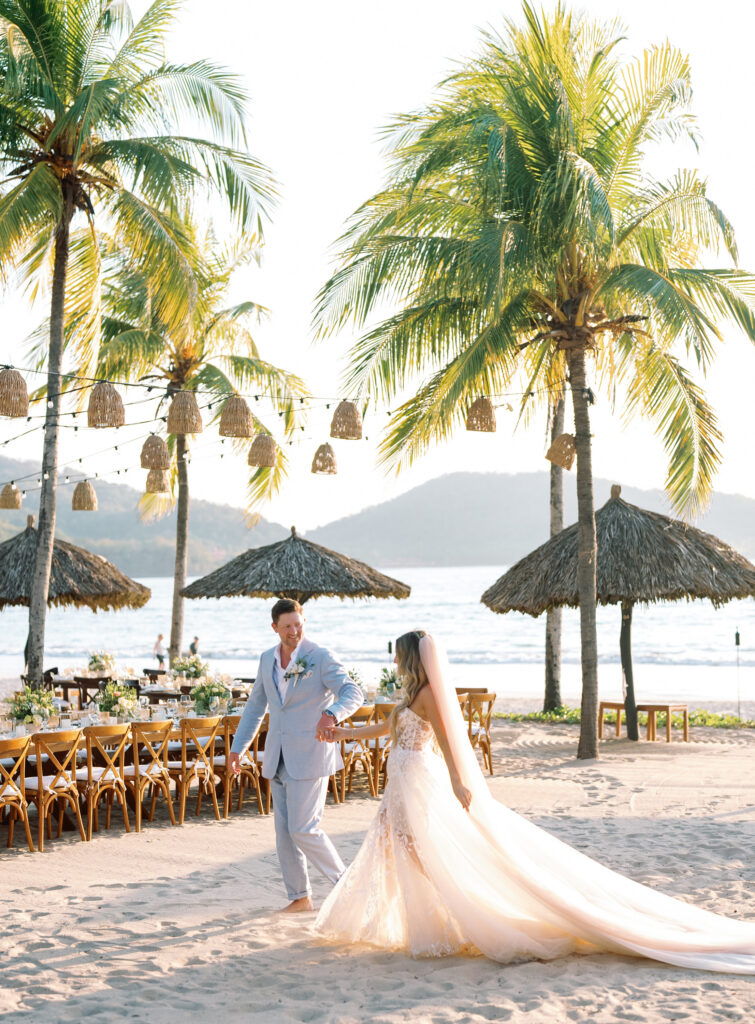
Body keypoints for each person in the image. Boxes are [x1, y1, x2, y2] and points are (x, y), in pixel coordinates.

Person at [315, 631, 755, 973]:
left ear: (409, 656)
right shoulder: (409, 693)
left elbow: (449, 743)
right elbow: (385, 730)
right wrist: (344, 734)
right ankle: (428, 915)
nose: (392, 657)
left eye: (397, 652)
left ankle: (450, 910)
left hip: (417, 779)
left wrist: (457, 782)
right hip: (400, 780)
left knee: (417, 849)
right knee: (395, 846)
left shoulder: (428, 695)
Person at [229, 598, 363, 913]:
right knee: (285, 834)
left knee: (304, 828)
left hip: (312, 753)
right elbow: (255, 707)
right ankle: (300, 897)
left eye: (298, 624)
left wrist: (331, 713)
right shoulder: (266, 660)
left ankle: (346, 886)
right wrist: (238, 748)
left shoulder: (320, 657)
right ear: (274, 627)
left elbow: (352, 692)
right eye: (287, 626)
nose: (294, 631)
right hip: (277, 756)